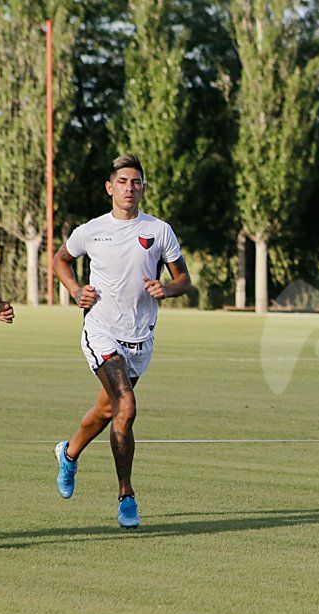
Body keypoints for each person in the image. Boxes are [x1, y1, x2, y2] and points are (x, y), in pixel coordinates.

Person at [51, 153, 192, 529]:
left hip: (140, 338)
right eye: (123, 182)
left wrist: (168, 288)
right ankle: (126, 496)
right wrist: (74, 289)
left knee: (108, 411)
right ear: (109, 188)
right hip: (100, 330)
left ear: (143, 188)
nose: (130, 188)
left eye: (136, 182)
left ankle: (69, 453)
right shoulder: (91, 230)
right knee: (126, 406)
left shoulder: (159, 231)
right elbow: (60, 259)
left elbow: (184, 279)